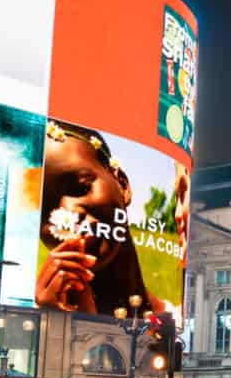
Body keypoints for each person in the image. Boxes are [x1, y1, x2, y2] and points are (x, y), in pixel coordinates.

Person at [33, 118, 151, 314]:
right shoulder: (31, 313)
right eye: (45, 210)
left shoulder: (176, 317)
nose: (67, 215)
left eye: (80, 187)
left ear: (122, 185)